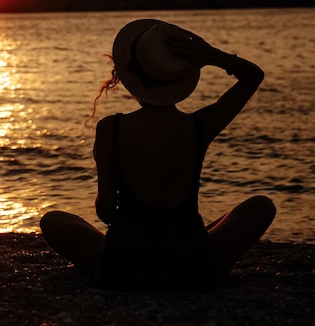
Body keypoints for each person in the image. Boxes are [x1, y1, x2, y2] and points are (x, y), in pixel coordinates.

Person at [40, 19, 276, 291]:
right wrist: (212, 56)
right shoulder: (199, 126)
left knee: (53, 221)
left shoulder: (110, 129)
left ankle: (132, 272)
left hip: (124, 267)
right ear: (182, 77)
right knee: (261, 206)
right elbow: (253, 77)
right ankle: (197, 267)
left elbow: (105, 212)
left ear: (129, 77)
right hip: (191, 265)